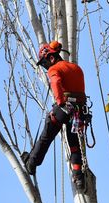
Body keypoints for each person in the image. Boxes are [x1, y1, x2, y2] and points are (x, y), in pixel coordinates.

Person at [21, 41, 87, 190]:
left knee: (46, 135)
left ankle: (31, 163)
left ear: (51, 58)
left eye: (45, 63)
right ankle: (78, 176)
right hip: (79, 111)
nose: (46, 67)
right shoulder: (76, 68)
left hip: (65, 108)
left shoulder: (54, 69)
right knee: (74, 144)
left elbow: (56, 82)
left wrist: (61, 103)